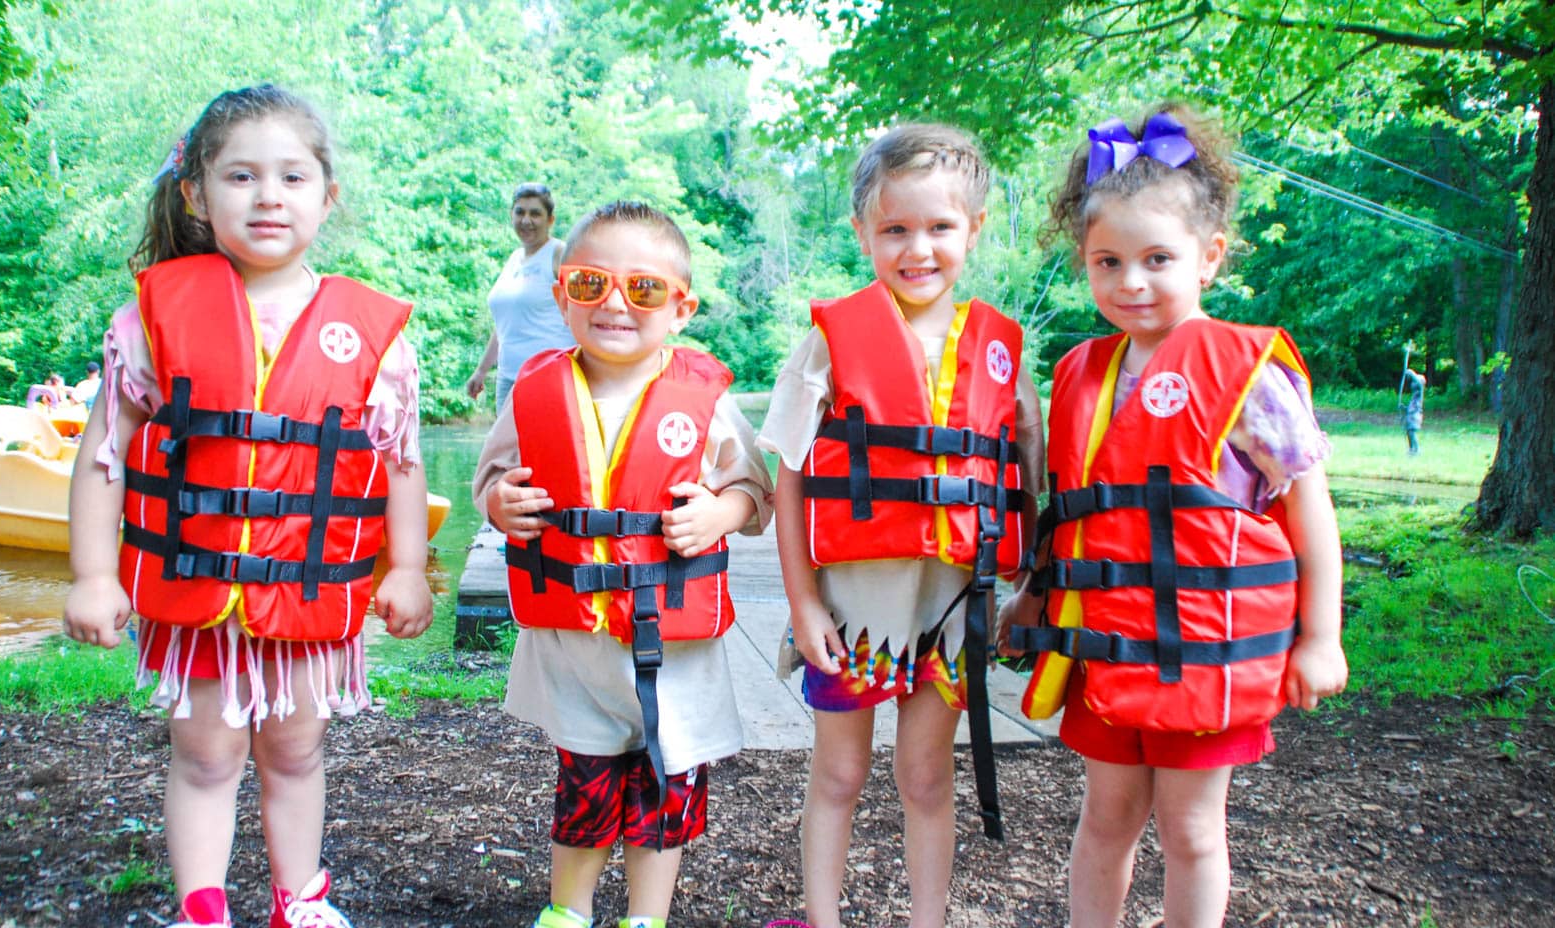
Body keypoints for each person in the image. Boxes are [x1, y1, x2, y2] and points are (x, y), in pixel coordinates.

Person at [62, 84, 433, 928]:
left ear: (326, 197)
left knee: (297, 751)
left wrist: (406, 567)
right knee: (204, 754)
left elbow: (399, 461)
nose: (269, 196)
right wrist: (92, 574)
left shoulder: (373, 334)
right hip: (193, 600)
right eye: (241, 176)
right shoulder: (150, 319)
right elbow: (103, 459)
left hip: (305, 593)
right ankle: (202, 910)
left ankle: (297, 902)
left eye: (293, 178)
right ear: (196, 193)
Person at [1006, 105, 1349, 928]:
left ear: (1210, 256)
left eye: (1157, 259)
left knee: (1192, 832)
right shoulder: (1086, 371)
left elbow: (1310, 510)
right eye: (1108, 262)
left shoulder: (1248, 373)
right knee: (1104, 820)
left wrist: (1321, 637)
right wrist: (1032, 594)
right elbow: (1076, 512)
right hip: (1104, 656)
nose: (1131, 282)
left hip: (1205, 660)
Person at [757, 124, 1044, 928]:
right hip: (852, 610)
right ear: (863, 234)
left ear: (974, 230)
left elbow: (1028, 479)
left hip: (952, 612)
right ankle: (823, 918)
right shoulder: (828, 341)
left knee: (925, 778)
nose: (918, 249)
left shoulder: (1000, 354)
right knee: (840, 774)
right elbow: (790, 478)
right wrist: (804, 603)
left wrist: (1024, 593)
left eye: (939, 228)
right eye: (895, 230)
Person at [473, 201, 773, 928]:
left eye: (642, 289)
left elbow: (754, 492)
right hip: (574, 649)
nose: (614, 303)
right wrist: (499, 504)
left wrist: (720, 514)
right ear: (561, 297)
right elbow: (488, 480)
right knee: (583, 786)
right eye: (590, 285)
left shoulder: (706, 402)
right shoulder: (534, 395)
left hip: (675, 652)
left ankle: (647, 917)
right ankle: (567, 914)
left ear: (680, 308)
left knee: (667, 786)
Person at [464, 182, 576, 410]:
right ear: (511, 215)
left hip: (548, 376)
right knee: (504, 446)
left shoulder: (559, 255)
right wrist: (481, 370)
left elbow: (583, 310)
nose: (526, 220)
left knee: (542, 445)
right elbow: (504, 324)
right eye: (520, 212)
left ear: (550, 220)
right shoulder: (514, 259)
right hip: (508, 377)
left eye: (535, 214)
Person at [1401, 367, 1425, 455]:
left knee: (1412, 431)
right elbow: (1410, 407)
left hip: (1415, 414)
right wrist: (1404, 408)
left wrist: (1412, 373)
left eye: (1414, 382)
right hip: (1411, 413)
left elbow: (1419, 383)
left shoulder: (1420, 393)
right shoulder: (1414, 396)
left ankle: (1417, 449)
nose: (1413, 383)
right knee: (1408, 431)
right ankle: (1411, 448)